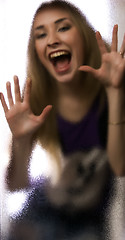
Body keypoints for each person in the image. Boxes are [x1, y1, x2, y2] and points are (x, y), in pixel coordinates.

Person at [0, 0, 125, 239]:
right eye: (41, 34)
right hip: (42, 206)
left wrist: (116, 94)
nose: (52, 39)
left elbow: (119, 165)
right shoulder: (40, 97)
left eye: (63, 27)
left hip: (87, 220)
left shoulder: (111, 83)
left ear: (84, 36)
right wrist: (21, 141)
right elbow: (15, 185)